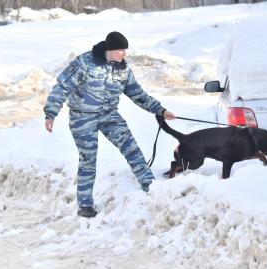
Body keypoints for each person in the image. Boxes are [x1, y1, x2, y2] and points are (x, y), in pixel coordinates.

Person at [43, 31, 175, 218]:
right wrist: (50, 113)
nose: (124, 54)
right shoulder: (84, 63)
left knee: (131, 148)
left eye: (125, 50)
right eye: (120, 50)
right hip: (83, 117)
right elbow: (62, 86)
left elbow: (138, 94)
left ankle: (150, 187)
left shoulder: (123, 70)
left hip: (109, 115)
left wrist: (160, 110)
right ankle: (85, 205)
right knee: (88, 159)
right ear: (110, 49)